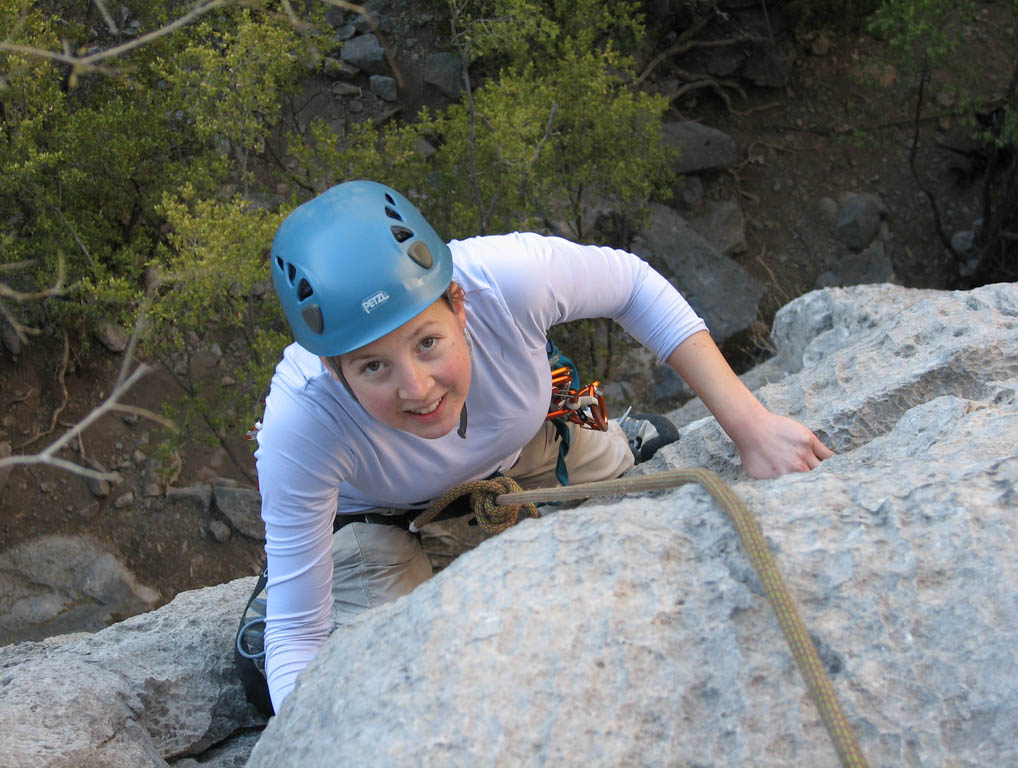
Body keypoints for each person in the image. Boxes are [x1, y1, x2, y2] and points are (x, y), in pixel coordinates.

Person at [242, 180, 833, 715]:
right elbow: (298, 631)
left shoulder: (506, 278)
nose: (416, 389)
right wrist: (301, 723)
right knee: (399, 657)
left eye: (427, 342)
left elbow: (632, 286)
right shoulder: (303, 422)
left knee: (617, 478)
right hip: (381, 512)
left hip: (518, 443)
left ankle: (604, 444)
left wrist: (750, 425)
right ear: (332, 368)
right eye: (373, 366)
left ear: (459, 303)